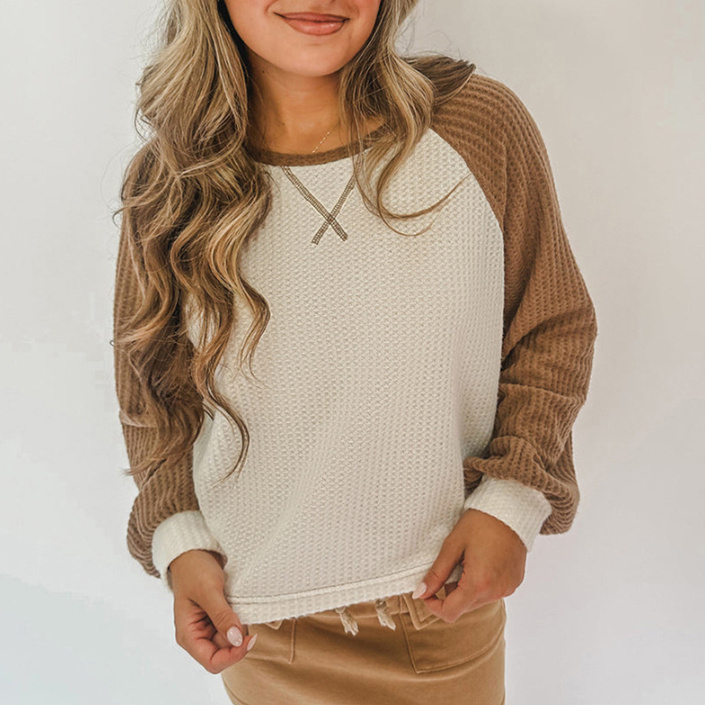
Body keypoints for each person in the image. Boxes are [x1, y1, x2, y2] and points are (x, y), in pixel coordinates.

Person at [111, 1, 598, 703]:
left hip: (435, 604)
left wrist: (510, 501)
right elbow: (150, 392)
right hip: (254, 619)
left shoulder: (475, 127)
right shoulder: (170, 182)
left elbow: (550, 325)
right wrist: (179, 540)